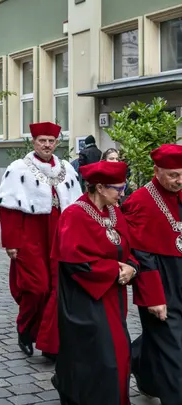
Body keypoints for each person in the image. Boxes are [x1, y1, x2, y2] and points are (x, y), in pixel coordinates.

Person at [0, 122, 82, 359]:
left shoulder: (66, 168)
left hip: (60, 236)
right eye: (42, 140)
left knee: (56, 289)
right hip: (30, 237)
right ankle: (25, 329)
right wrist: (11, 242)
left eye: (51, 141)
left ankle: (49, 341)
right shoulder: (18, 168)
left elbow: (78, 207)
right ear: (33, 142)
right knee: (36, 288)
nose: (47, 145)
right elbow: (8, 208)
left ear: (56, 143)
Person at [52, 160, 137, 405]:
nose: (123, 193)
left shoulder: (114, 211)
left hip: (113, 297)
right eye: (119, 189)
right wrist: (114, 270)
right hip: (85, 300)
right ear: (99, 187)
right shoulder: (74, 215)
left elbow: (127, 248)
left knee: (120, 353)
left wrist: (132, 267)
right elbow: (75, 261)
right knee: (101, 357)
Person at [123, 144, 178, 404]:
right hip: (161, 281)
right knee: (174, 349)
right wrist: (154, 297)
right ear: (157, 171)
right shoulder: (139, 202)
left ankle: (138, 361)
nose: (179, 181)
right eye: (173, 175)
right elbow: (141, 255)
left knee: (164, 341)